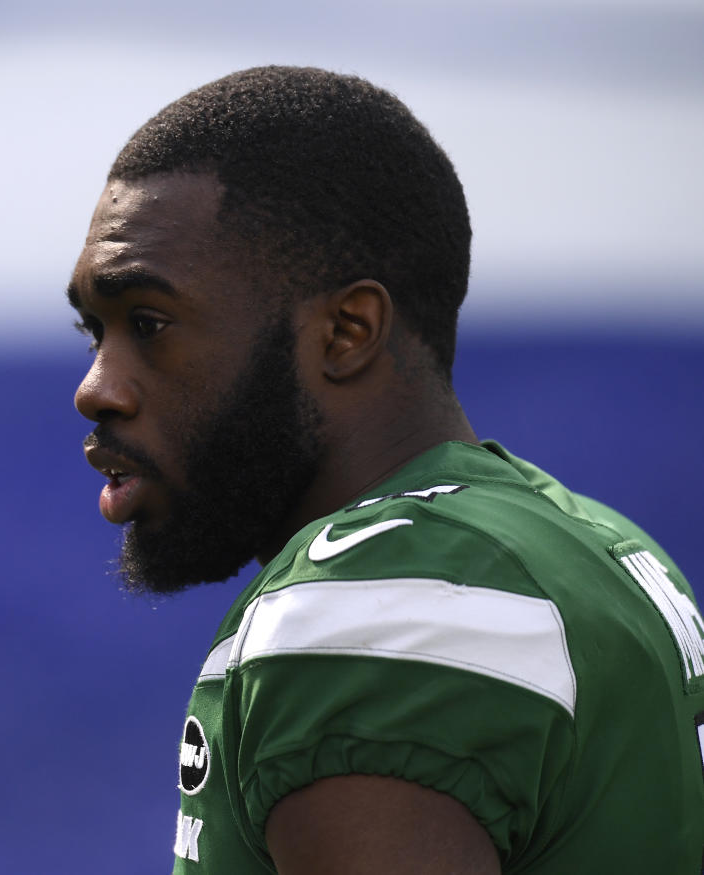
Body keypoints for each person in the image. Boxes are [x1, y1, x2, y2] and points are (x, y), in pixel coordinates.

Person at [66, 66, 704, 873]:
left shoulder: (377, 604)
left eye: (149, 323)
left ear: (346, 331)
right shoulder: (597, 541)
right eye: (95, 331)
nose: (96, 388)